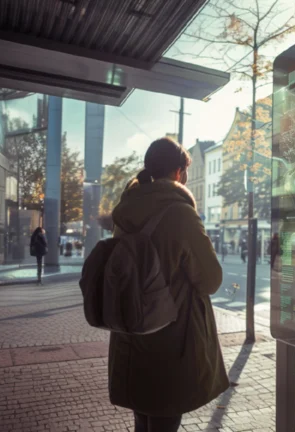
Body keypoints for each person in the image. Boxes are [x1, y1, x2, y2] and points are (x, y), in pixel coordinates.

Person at [109, 137, 227, 432]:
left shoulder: (126, 211)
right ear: (178, 173)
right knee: (165, 416)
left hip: (130, 328)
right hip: (170, 336)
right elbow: (211, 279)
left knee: (142, 417)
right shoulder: (180, 213)